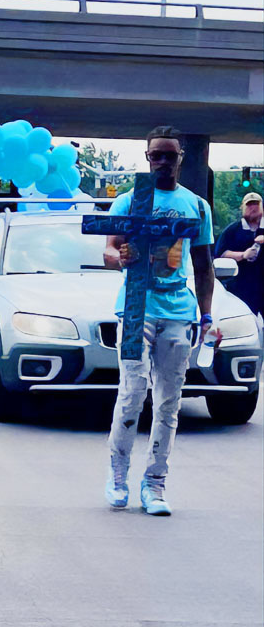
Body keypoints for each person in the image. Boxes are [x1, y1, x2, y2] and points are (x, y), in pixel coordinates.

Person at [102, 126, 217, 516]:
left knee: (169, 401)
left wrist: (206, 314)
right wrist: (120, 257)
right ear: (147, 157)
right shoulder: (129, 201)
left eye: (170, 155)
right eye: (157, 155)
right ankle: (118, 475)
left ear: (181, 157)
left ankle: (154, 483)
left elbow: (204, 265)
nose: (163, 162)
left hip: (178, 311)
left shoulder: (196, 206)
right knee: (132, 391)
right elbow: (108, 251)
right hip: (136, 307)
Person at [214, 192, 264, 319]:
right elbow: (221, 254)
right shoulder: (232, 230)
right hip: (241, 287)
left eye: (256, 204)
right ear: (242, 207)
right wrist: (243, 255)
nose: (253, 208)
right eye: (249, 205)